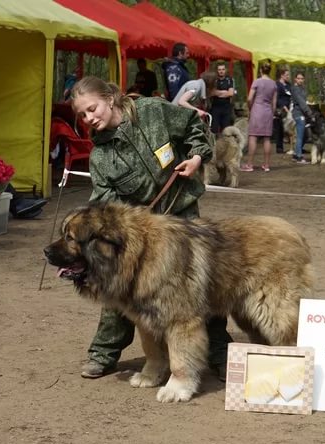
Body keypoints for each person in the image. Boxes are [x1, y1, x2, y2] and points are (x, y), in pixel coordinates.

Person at [69, 75, 233, 381]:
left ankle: (221, 353)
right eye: (82, 115)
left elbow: (193, 126)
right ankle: (104, 352)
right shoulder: (100, 156)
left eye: (92, 108)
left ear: (110, 98)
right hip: (141, 232)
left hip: (182, 216)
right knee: (120, 286)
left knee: (201, 287)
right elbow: (105, 206)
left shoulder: (154, 111)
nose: (89, 118)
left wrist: (197, 157)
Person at [239, 61, 276, 172]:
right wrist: (272, 113)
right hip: (268, 111)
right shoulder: (273, 84)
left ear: (260, 70)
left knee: (253, 136)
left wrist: (250, 108)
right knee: (267, 138)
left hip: (257, 110)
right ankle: (266, 165)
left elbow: (249, 98)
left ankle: (250, 164)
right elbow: (274, 103)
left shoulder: (257, 82)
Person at [290, 71, 314, 163]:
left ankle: (296, 154)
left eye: (302, 78)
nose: (300, 80)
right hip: (298, 113)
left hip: (303, 113)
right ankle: (299, 157)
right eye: (298, 78)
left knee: (305, 135)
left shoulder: (303, 89)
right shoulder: (295, 89)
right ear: (295, 79)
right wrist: (309, 112)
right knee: (300, 135)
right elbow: (301, 102)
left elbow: (304, 101)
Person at [209, 62, 235, 135]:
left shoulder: (229, 80)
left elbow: (231, 93)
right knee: (214, 129)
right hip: (215, 107)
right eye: (219, 69)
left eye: (223, 69)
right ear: (217, 71)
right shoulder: (214, 80)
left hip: (226, 108)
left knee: (226, 130)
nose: (221, 71)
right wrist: (224, 92)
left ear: (225, 70)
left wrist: (218, 93)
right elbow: (211, 93)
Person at [273, 68, 292, 154]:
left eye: (288, 75)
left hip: (289, 109)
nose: (288, 76)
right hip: (279, 109)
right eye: (286, 75)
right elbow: (276, 98)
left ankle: (293, 147)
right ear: (282, 75)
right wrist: (283, 107)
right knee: (279, 128)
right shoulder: (277, 85)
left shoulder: (289, 85)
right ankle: (279, 147)